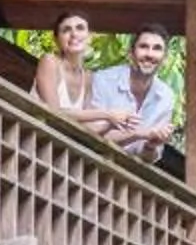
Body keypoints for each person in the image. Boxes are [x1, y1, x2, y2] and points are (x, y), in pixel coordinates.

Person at [87, 26, 176, 165]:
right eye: (144, 46)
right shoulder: (103, 80)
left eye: (157, 48)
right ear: (131, 53)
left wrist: (151, 145)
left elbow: (149, 158)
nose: (150, 54)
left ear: (164, 59)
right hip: (93, 165)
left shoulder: (166, 96)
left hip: (130, 177)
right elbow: (92, 135)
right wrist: (139, 134)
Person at [31, 13, 98, 119]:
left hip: (69, 135)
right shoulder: (50, 62)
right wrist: (107, 115)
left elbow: (87, 123)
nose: (74, 34)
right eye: (66, 30)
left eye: (80, 28)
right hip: (39, 132)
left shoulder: (88, 77)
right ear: (56, 39)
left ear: (90, 36)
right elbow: (54, 112)